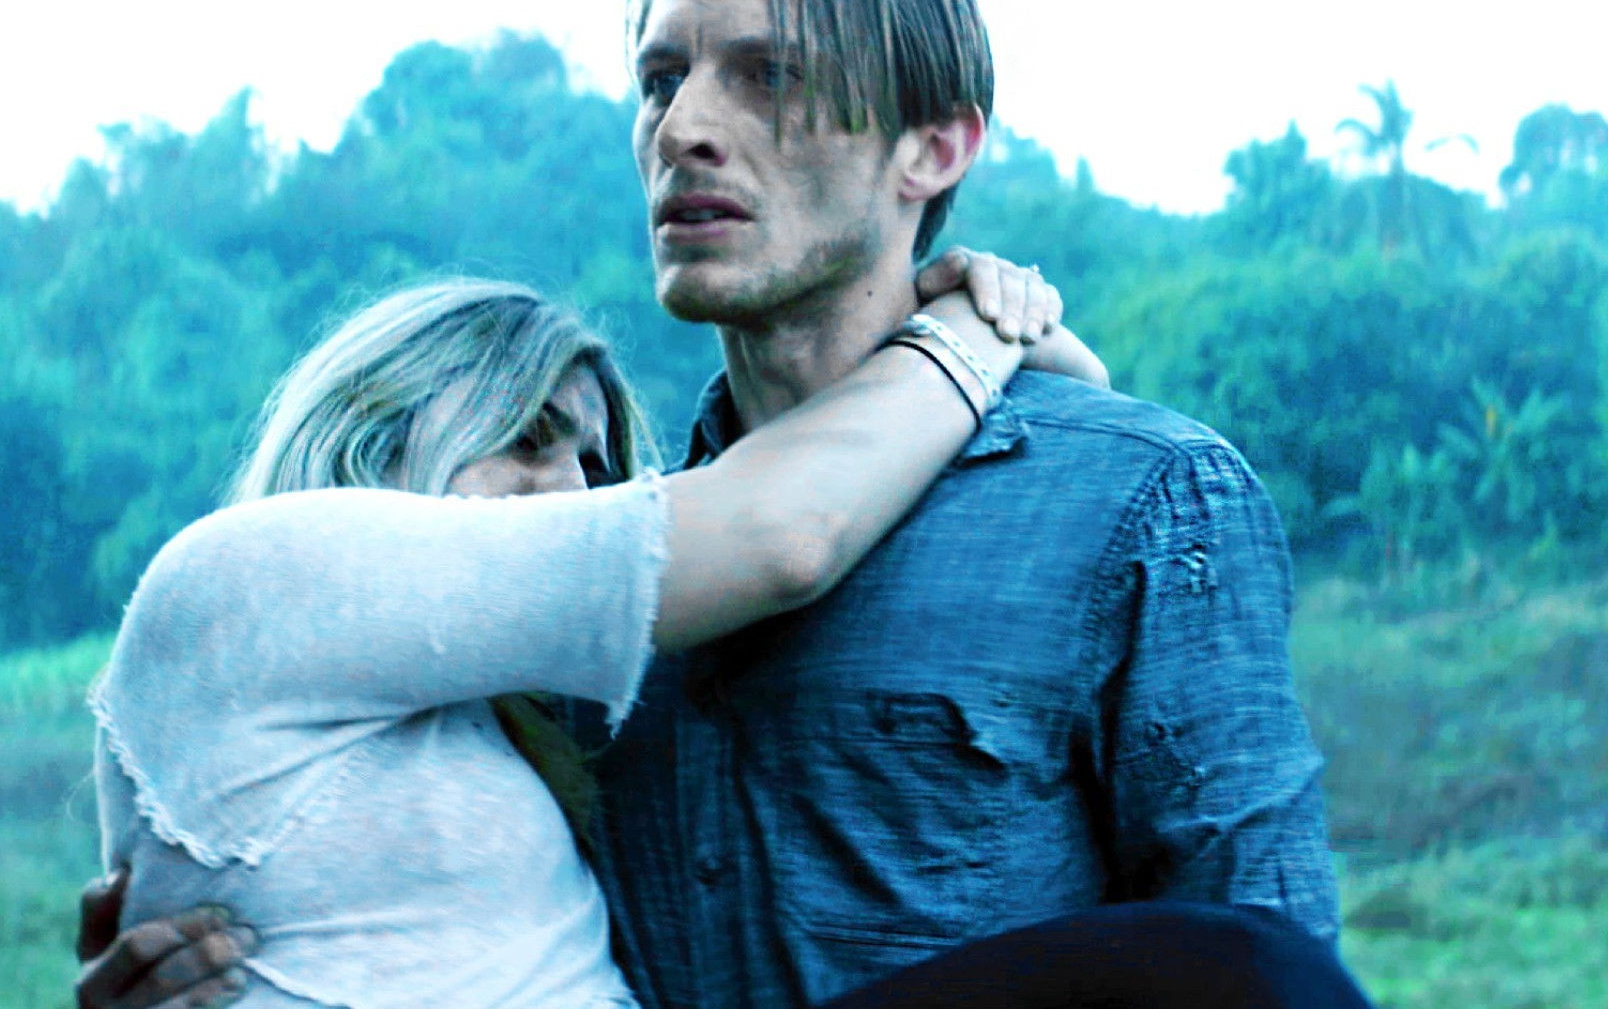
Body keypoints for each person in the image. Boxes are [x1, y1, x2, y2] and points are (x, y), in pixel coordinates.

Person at [78, 0, 1362, 1005]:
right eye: (659, 80)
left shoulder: (1137, 498)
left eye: (766, 74)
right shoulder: (601, 582)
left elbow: (1268, 957)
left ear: (934, 146)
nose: (684, 126)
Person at [87, 272, 1104, 1008]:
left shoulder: (480, 714)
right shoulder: (254, 575)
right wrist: (969, 331)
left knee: (1147, 967)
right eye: (528, 437)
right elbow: (785, 533)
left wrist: (1055, 364)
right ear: (374, 428)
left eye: (593, 464)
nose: (573, 489)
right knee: (1174, 962)